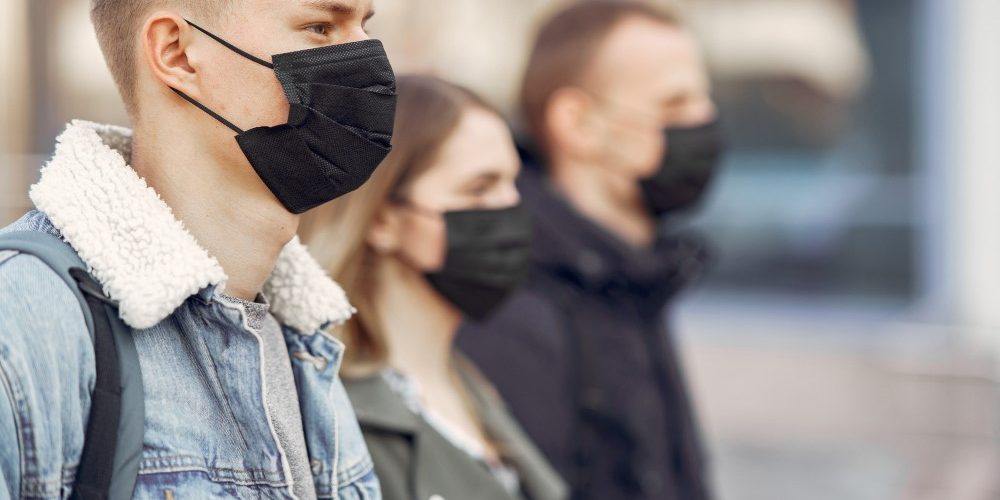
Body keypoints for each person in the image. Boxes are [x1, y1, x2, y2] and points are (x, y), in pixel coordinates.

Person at [0, 0, 396, 497]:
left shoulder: (307, 343)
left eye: (364, 26)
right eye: (320, 27)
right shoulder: (24, 319)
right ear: (177, 54)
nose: (368, 60)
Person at [456, 2, 724, 500]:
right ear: (577, 122)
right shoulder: (512, 305)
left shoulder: (636, 276)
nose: (704, 121)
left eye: (704, 100)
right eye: (674, 105)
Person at [300, 74, 568, 500]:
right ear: (385, 219)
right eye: (479, 188)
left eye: (511, 184)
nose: (509, 208)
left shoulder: (473, 384)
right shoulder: (331, 411)